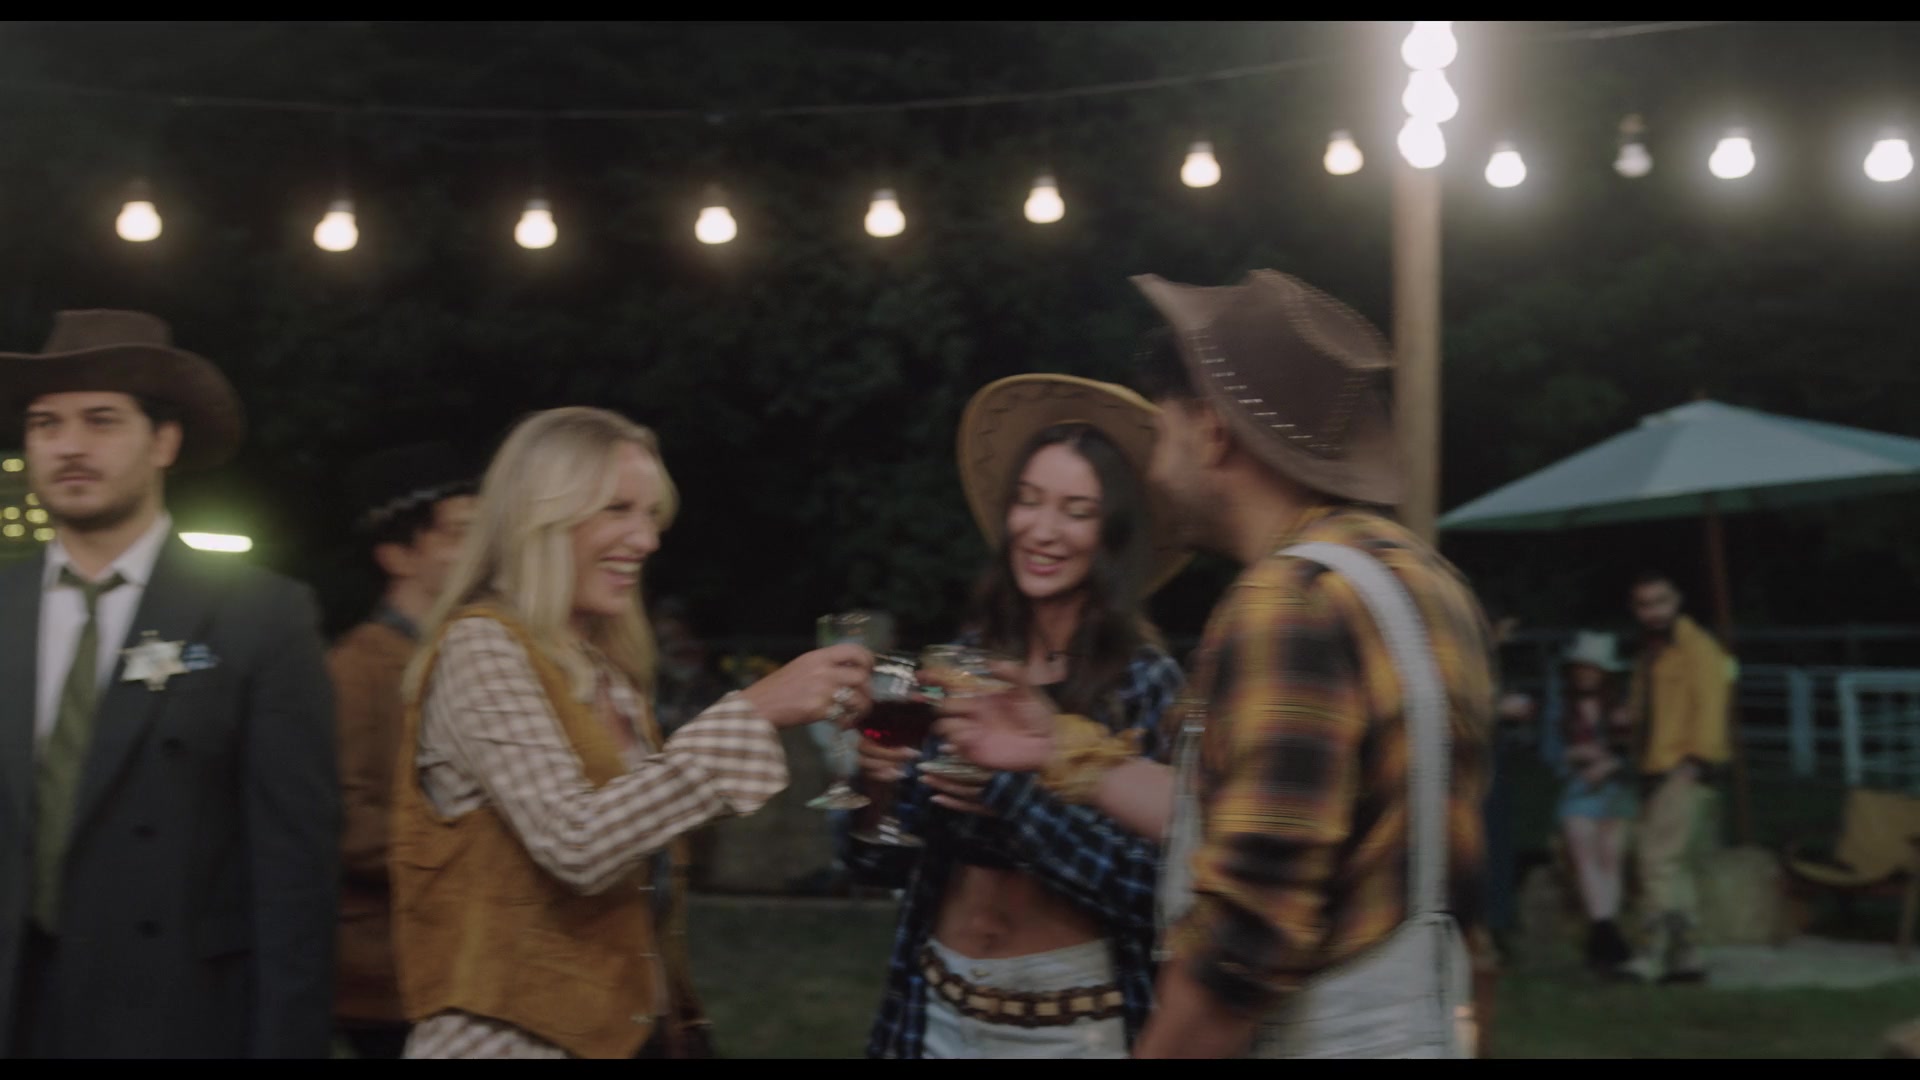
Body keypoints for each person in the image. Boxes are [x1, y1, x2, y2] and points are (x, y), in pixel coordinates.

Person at [935, 271, 1495, 1058]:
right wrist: (1054, 744)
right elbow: (1270, 816)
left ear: (1211, 430)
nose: (1156, 466)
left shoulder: (1286, 602)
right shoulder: (1419, 579)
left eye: (1163, 427)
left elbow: (1242, 948)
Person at [388, 406, 875, 1059]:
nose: (646, 540)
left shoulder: (603, 670)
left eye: (652, 516)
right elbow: (577, 843)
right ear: (540, 517)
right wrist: (754, 713)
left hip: (624, 1033)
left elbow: (639, 846)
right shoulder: (483, 647)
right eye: (617, 509)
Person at [0, 310, 339, 1057]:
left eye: (100, 420)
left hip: (178, 1017)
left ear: (164, 441)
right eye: (45, 424)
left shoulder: (258, 616)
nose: (69, 446)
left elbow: (295, 874)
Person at [851, 372, 1187, 1059]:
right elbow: (874, 861)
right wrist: (874, 786)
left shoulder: (1144, 682)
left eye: (1076, 510)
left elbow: (1155, 891)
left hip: (1068, 1021)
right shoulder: (967, 661)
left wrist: (1011, 796)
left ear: (1112, 533)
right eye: (1029, 501)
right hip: (936, 1006)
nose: (1043, 530)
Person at [328, 442, 478, 1058]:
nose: (484, 550)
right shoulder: (357, 668)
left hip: (461, 964)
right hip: (389, 975)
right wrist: (475, 849)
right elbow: (341, 819)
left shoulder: (464, 658)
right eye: (461, 533)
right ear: (397, 555)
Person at [1616, 572, 1733, 985]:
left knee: (1656, 863)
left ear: (1677, 600)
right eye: (1644, 604)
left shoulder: (1697, 648)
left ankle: (1650, 954)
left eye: (1660, 601)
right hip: (1654, 766)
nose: (1653, 612)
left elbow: (1711, 707)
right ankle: (1687, 956)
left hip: (1682, 767)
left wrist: (1697, 761)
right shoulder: (1650, 653)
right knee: (1672, 866)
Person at [1550, 631, 1636, 973]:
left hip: (1616, 787)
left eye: (1592, 669)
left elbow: (1636, 749)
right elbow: (1549, 750)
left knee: (1610, 853)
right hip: (1579, 786)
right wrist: (1574, 755)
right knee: (1583, 846)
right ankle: (1604, 928)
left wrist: (1612, 762)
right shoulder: (1562, 706)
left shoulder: (1621, 706)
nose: (1585, 674)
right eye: (1580, 668)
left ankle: (1604, 933)